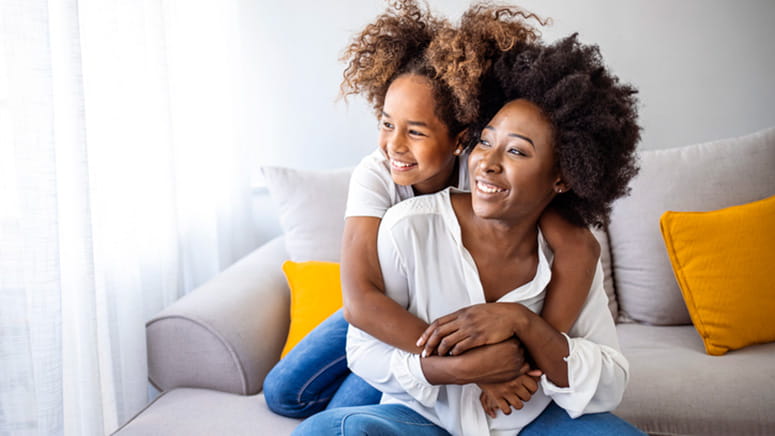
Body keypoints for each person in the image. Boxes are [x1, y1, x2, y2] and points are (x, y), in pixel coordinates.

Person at [263, 0, 600, 419]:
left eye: (415, 132)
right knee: (282, 392)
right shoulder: (376, 173)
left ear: (460, 138)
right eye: (387, 124)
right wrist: (474, 368)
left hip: (434, 318)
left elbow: (580, 247)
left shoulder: (485, 173)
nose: (394, 146)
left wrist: (525, 354)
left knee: (339, 416)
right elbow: (362, 303)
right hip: (384, 308)